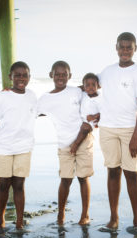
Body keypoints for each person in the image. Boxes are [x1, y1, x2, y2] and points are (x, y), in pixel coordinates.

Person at [97, 32, 137, 235]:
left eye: (129, 47)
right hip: (107, 128)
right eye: (122, 47)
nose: (125, 51)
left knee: (131, 173)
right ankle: (113, 219)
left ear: (135, 49)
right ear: (116, 48)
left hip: (130, 130)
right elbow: (89, 88)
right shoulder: (107, 71)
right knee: (112, 171)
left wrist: (136, 137)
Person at [0, 61, 37, 231]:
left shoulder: (32, 96)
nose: (21, 78)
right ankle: (1, 219)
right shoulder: (3, 96)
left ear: (29, 77)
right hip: (4, 147)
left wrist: (81, 90)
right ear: (10, 77)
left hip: (24, 147)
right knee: (3, 184)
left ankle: (19, 221)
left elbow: (45, 108)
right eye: (17, 75)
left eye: (24, 75)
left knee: (19, 184)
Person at [37, 61, 93, 226]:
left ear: (69, 76)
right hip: (64, 143)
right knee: (65, 179)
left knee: (83, 178)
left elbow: (93, 88)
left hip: (83, 139)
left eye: (64, 74)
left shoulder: (76, 91)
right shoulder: (45, 98)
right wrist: (10, 91)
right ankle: (60, 215)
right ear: (51, 75)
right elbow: (30, 110)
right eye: (57, 74)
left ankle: (85, 215)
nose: (60, 77)